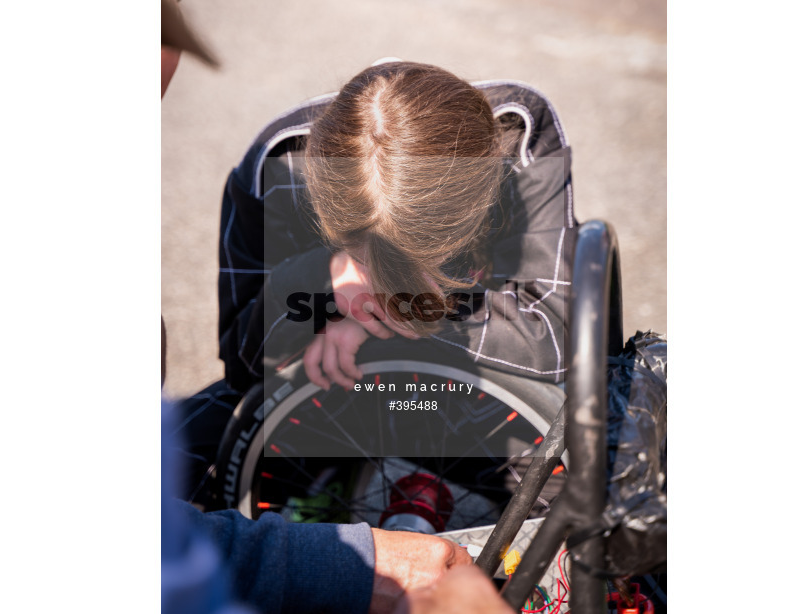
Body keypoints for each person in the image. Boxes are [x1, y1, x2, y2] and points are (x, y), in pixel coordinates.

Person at [161, 4, 493, 614]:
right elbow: (242, 357)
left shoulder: (520, 140)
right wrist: (321, 286)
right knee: (196, 437)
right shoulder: (274, 169)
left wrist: (415, 312)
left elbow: (559, 346)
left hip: (457, 403)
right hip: (322, 403)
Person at [217, 60, 577, 394]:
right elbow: (241, 364)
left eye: (426, 254)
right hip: (341, 399)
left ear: (481, 201)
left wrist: (379, 318)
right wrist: (322, 276)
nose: (385, 276)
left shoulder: (520, 127)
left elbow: (557, 339)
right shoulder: (276, 166)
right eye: (365, 258)